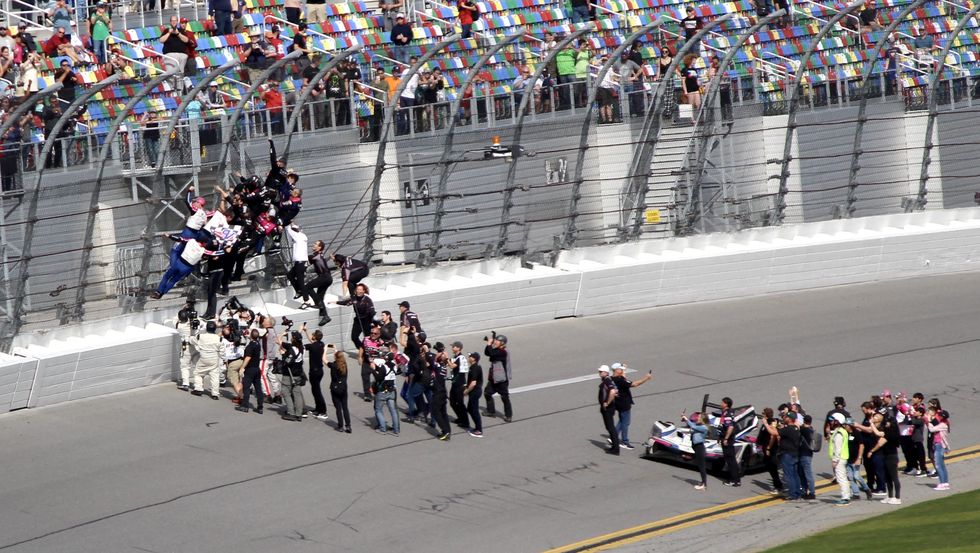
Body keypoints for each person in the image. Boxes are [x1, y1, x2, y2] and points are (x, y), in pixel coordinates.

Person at [611, 364, 652, 450]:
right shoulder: (621, 381)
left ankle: (613, 437)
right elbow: (634, 384)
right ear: (616, 370)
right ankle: (625, 442)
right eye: (620, 369)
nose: (622, 371)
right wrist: (646, 378)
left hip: (617, 402)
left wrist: (624, 369)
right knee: (626, 423)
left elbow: (623, 377)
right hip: (624, 404)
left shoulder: (612, 379)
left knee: (621, 421)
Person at [189, 320, 224, 399]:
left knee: (198, 373)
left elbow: (192, 340)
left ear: (207, 328)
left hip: (204, 357)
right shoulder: (219, 339)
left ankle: (198, 389)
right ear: (215, 329)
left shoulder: (200, 336)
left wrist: (190, 337)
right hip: (214, 358)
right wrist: (223, 359)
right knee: (214, 376)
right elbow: (222, 351)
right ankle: (215, 394)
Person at [336, 283, 376, 350]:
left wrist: (373, 321)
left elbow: (372, 311)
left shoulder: (367, 300)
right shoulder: (354, 298)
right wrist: (335, 302)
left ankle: (370, 351)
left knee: (368, 338)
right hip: (358, 320)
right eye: (357, 289)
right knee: (354, 337)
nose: (358, 291)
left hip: (367, 320)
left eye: (360, 290)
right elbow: (345, 302)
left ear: (364, 291)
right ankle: (362, 350)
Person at [483, 332, 512, 422]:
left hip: (501, 379)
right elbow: (487, 353)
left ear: (502, 343)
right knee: (487, 393)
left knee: (504, 397)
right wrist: (490, 344)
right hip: (493, 378)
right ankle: (491, 412)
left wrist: (489, 344)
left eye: (497, 341)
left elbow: (492, 353)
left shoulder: (503, 352)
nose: (495, 342)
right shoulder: (497, 350)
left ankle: (508, 415)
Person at [301, 324, 327, 420]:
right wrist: (306, 331)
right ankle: (318, 409)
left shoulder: (312, 346)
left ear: (315, 337)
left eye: (313, 335)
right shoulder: (321, 344)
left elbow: (301, 345)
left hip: (314, 372)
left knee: (317, 391)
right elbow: (312, 342)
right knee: (315, 391)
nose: (311, 336)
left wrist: (301, 333)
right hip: (320, 371)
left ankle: (323, 411)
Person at [278, 331, 306, 421]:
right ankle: (299, 414)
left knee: (285, 391)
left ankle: (291, 413)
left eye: (292, 337)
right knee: (297, 394)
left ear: (293, 339)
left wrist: (283, 354)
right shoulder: (302, 348)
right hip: (299, 373)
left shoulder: (292, 349)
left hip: (289, 374)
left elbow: (287, 361)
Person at [304, 240, 333, 326]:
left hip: (324, 277)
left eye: (315, 244)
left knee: (308, 286)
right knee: (319, 296)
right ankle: (325, 316)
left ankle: (318, 304)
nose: (313, 245)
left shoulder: (315, 256)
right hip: (328, 278)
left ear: (319, 248)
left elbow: (308, 259)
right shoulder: (320, 255)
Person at [844, 417, 873, 500]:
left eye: (846, 424)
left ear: (850, 425)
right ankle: (856, 494)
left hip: (856, 459)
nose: (844, 426)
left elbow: (861, 446)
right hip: (848, 459)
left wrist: (859, 458)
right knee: (850, 477)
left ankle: (867, 489)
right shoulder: (846, 433)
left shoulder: (857, 433)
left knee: (856, 476)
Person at [236, 329, 264, 413]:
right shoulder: (258, 344)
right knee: (258, 389)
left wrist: (242, 367)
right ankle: (260, 407)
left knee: (246, 388)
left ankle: (245, 406)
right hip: (257, 369)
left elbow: (248, 358)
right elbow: (254, 338)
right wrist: (249, 336)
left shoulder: (249, 347)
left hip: (250, 370)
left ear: (251, 336)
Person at [372, 357, 401, 435]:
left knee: (378, 410)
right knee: (393, 411)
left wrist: (373, 370)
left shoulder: (384, 367)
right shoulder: (394, 366)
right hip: (391, 391)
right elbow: (399, 372)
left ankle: (383, 428)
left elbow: (378, 378)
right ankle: (396, 429)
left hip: (382, 392)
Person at [758, 408, 783, 494]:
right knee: (769, 466)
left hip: (771, 448)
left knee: (772, 467)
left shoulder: (770, 423)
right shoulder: (773, 421)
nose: (761, 414)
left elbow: (773, 436)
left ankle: (778, 487)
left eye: (763, 413)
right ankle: (778, 485)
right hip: (766, 447)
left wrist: (768, 448)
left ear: (766, 415)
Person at [778, 412, 802, 500]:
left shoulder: (788, 429)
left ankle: (792, 494)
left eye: (786, 417)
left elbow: (776, 433)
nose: (785, 418)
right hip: (795, 453)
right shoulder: (796, 428)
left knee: (789, 475)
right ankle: (797, 492)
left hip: (787, 454)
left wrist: (766, 424)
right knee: (795, 474)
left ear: (790, 419)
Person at [681, 411, 709, 489]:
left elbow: (694, 427)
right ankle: (703, 483)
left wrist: (686, 419)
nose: (697, 418)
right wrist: (685, 420)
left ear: (703, 419)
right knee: (700, 466)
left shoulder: (704, 427)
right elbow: (692, 427)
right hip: (696, 448)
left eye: (699, 417)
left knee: (702, 467)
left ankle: (704, 485)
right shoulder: (698, 425)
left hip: (700, 448)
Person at [828, 413, 851, 505]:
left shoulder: (839, 433)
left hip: (840, 459)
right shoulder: (841, 431)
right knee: (843, 478)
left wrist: (835, 460)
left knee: (841, 478)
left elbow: (838, 448)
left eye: (833, 420)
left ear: (837, 421)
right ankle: (846, 496)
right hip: (843, 458)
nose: (831, 422)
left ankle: (845, 498)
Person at [926, 408, 950, 490]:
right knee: (942, 465)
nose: (937, 416)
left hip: (939, 446)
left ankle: (942, 483)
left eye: (939, 415)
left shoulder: (943, 425)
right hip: (938, 445)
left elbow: (931, 429)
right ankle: (945, 483)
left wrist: (929, 421)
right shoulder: (942, 424)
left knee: (938, 465)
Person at [328, 348, 352, 432]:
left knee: (338, 408)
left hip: (335, 388)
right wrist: (336, 351)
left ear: (335, 357)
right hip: (343, 389)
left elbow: (324, 360)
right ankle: (348, 425)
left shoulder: (333, 365)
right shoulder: (344, 365)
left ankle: (340, 426)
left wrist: (324, 350)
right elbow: (339, 357)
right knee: (345, 407)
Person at [448, 341, 470, 429]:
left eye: (454, 347)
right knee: (452, 402)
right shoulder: (455, 357)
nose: (452, 348)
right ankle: (460, 418)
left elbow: (452, 366)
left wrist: (447, 360)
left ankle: (465, 422)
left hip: (460, 384)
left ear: (458, 348)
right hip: (455, 383)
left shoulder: (460, 358)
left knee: (460, 403)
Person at [719, 396, 740, 487]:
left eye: (722, 402)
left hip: (728, 439)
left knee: (730, 460)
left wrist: (726, 438)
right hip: (727, 438)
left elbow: (730, 427)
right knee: (731, 459)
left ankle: (734, 480)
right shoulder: (730, 412)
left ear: (726, 404)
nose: (721, 404)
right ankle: (736, 479)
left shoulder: (727, 413)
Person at [597, 365, 619, 455]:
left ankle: (615, 449)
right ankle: (614, 446)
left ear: (606, 372)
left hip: (608, 408)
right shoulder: (608, 380)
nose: (599, 373)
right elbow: (615, 391)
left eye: (601, 371)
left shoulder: (607, 381)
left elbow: (613, 391)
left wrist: (607, 402)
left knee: (610, 427)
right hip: (608, 408)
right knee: (609, 427)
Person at [221, 323, 245, 404]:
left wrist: (224, 329)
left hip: (232, 362)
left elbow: (218, 336)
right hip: (240, 360)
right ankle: (240, 395)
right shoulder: (237, 337)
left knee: (234, 381)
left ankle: (242, 398)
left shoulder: (223, 340)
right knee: (238, 380)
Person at [286, 224, 309, 304]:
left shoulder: (297, 236)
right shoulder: (303, 236)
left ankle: (306, 299)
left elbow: (288, 230)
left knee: (301, 281)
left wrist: (288, 223)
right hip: (300, 263)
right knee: (290, 275)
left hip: (300, 263)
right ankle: (299, 291)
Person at [464, 352, 483, 437]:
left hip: (475, 392)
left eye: (470, 356)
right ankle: (477, 427)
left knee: (474, 410)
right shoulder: (473, 367)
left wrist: (466, 391)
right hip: (473, 391)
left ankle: (479, 430)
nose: (469, 357)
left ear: (474, 359)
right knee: (470, 409)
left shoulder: (475, 368)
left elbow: (473, 383)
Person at [798, 414, 816, 500]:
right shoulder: (811, 429)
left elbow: (799, 430)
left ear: (804, 421)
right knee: (804, 474)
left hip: (804, 454)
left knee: (807, 475)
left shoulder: (804, 430)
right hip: (809, 453)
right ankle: (807, 491)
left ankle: (811, 492)